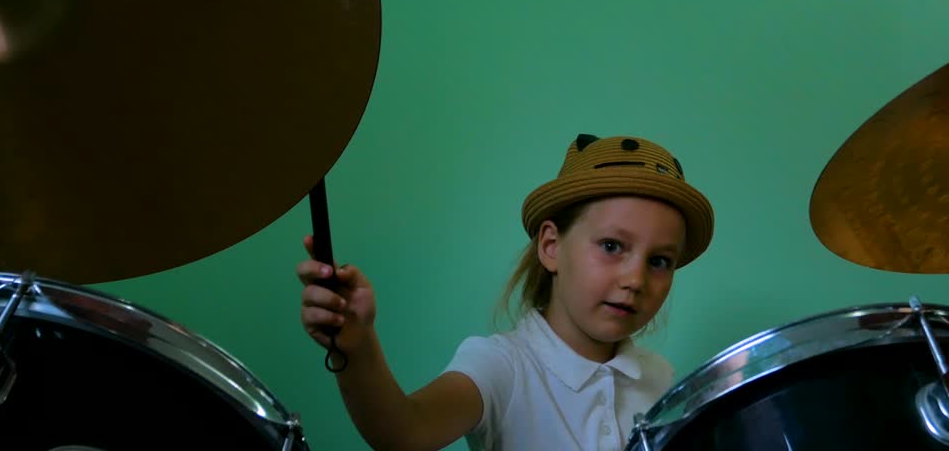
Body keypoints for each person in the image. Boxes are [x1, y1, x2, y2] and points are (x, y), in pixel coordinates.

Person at [296, 133, 715, 451]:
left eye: (659, 261)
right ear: (551, 247)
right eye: (611, 246)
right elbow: (404, 431)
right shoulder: (501, 367)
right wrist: (358, 345)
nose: (635, 279)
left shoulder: (663, 381)